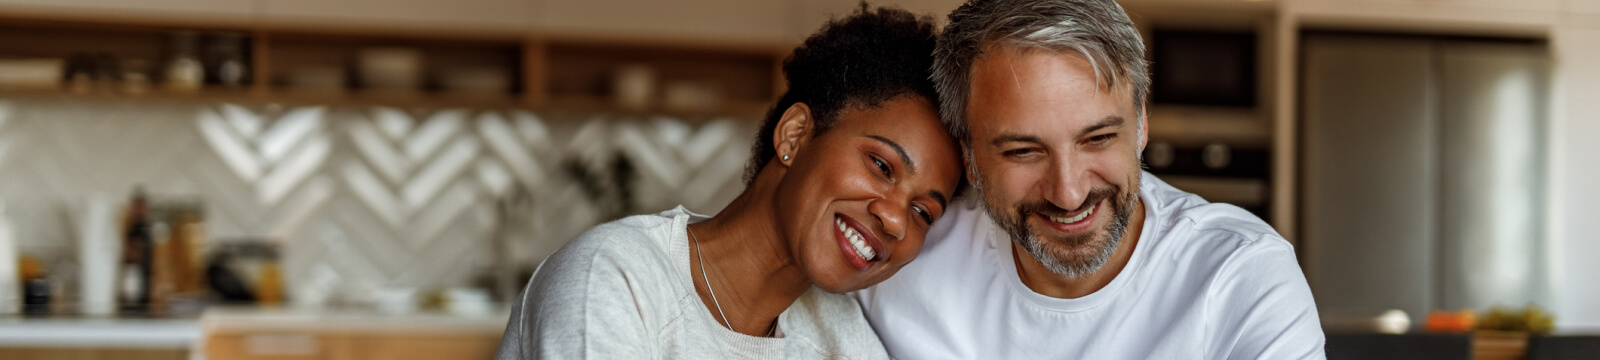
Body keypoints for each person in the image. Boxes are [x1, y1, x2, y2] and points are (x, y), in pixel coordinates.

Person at [851, 0, 1327, 358]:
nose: (1069, 192)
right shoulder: (899, 260)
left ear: (1141, 124)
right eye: (1023, 151)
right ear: (969, 156)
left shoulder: (1240, 276)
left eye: (1097, 139)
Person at [494, 5, 963, 359]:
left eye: (924, 211)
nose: (896, 219)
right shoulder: (617, 279)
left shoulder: (841, 338)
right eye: (881, 166)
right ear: (795, 135)